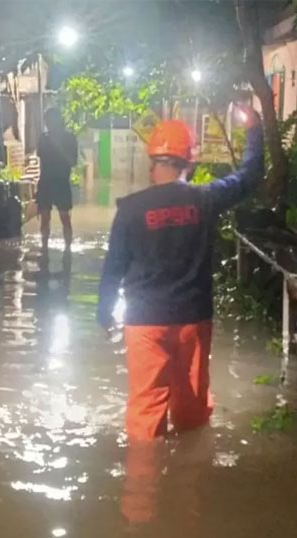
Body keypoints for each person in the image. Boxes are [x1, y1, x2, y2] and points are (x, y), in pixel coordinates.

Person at [97, 107, 263, 441]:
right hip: (192, 319)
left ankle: (144, 472)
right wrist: (254, 131)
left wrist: (104, 312)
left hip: (144, 324)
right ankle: (192, 470)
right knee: (192, 414)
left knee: (145, 418)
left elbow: (114, 266)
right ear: (190, 163)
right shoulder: (206, 198)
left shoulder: (130, 208)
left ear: (152, 163)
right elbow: (249, 176)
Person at [34, 107, 78, 253]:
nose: (48, 124)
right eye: (46, 121)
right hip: (46, 182)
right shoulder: (43, 139)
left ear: (58, 121)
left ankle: (68, 250)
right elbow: (41, 162)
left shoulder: (69, 138)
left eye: (50, 121)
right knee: (44, 218)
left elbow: (73, 162)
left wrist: (59, 147)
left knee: (65, 218)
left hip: (61, 182)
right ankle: (44, 249)